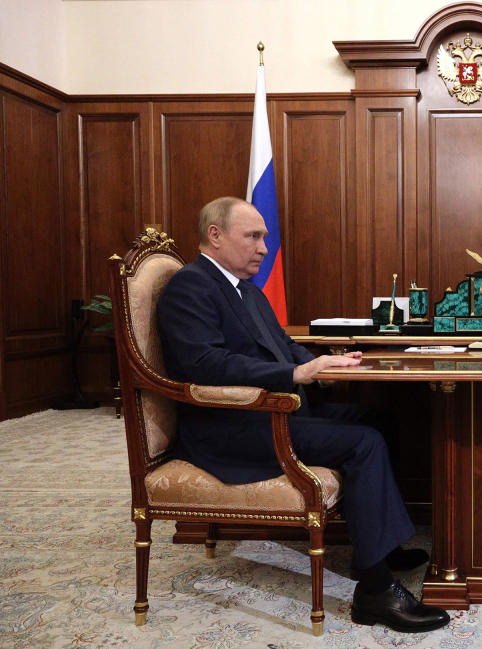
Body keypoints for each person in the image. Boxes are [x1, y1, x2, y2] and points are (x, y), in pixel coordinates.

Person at [156, 196, 450, 633]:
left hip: (272, 413)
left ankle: (376, 547)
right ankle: (374, 592)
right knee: (363, 443)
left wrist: (323, 365)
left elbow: (282, 345)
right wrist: (295, 372)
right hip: (229, 428)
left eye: (263, 238)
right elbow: (204, 365)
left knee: (378, 420)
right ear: (215, 236)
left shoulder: (246, 289)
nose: (262, 248)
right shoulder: (191, 285)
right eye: (252, 236)